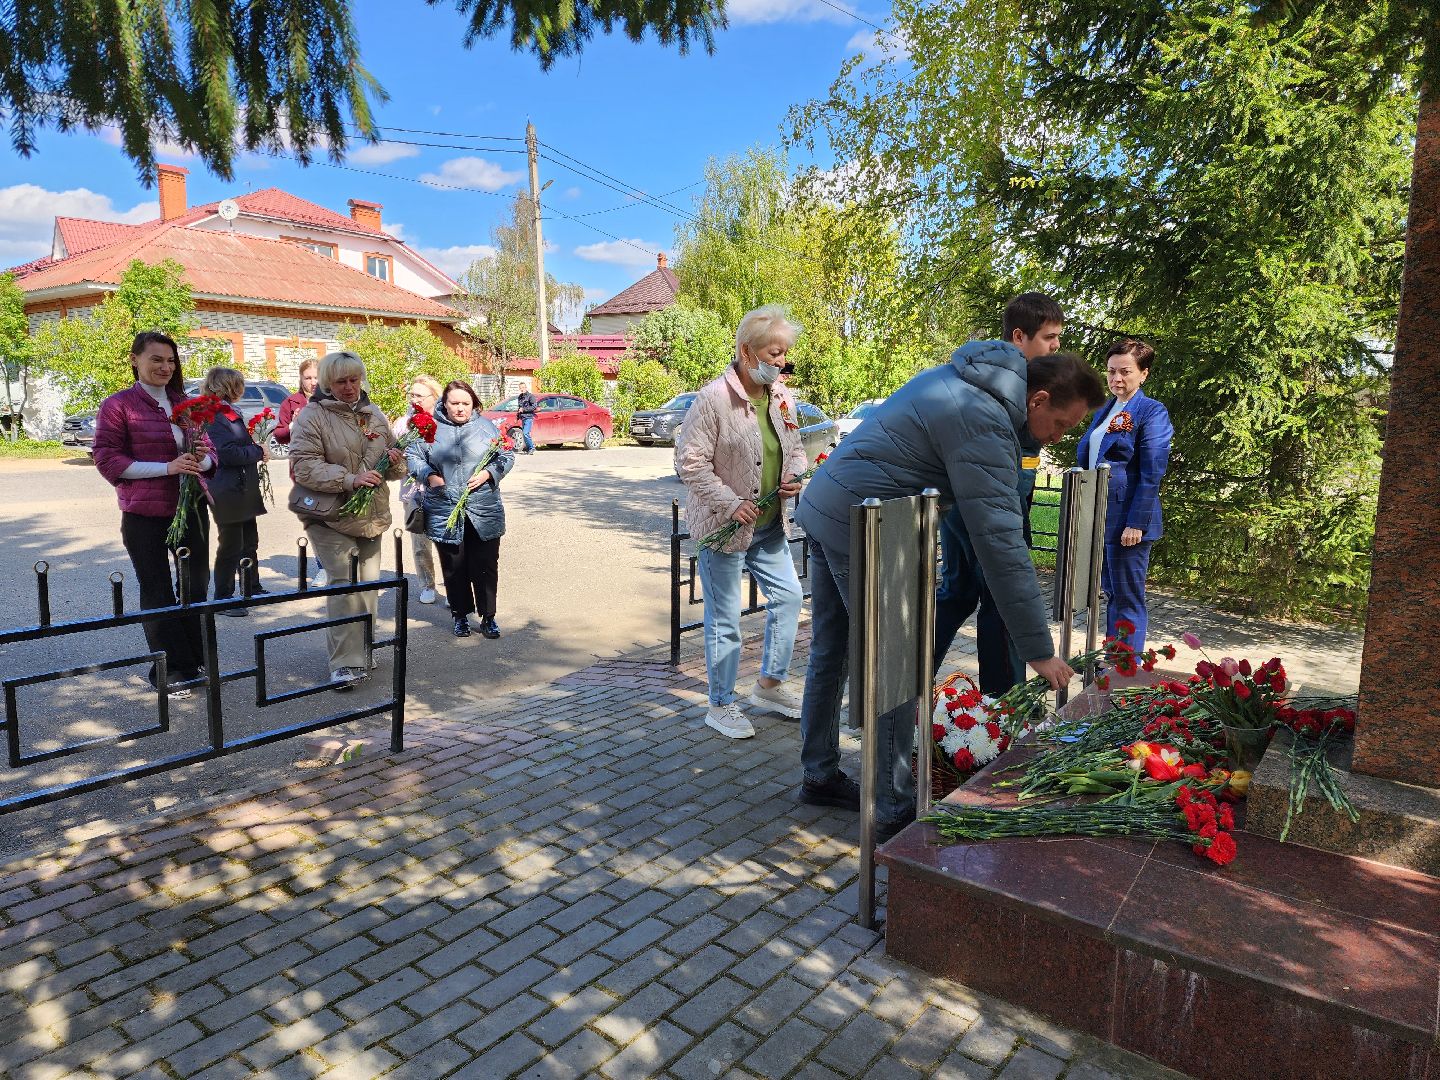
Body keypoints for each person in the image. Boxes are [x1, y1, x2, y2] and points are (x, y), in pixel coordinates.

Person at [796, 347, 1106, 840]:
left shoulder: (967, 383)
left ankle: (818, 773)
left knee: (831, 650)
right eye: (1062, 425)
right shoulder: (982, 419)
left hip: (829, 506)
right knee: (895, 669)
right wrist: (1040, 651)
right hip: (866, 529)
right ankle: (894, 810)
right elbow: (1002, 543)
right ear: (1038, 399)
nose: (1057, 438)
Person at [677, 305, 807, 740]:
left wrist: (794, 476)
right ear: (746, 352)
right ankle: (720, 703)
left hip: (768, 525)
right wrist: (731, 503)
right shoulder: (714, 399)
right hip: (724, 528)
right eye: (774, 352)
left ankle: (768, 685)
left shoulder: (782, 396)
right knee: (725, 618)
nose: (781, 361)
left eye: (784, 353)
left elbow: (796, 448)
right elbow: (690, 464)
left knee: (789, 599)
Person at [934, 293, 1062, 695]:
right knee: (1000, 598)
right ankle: (1006, 706)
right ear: (1019, 336)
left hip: (975, 502)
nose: (1056, 346)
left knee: (958, 592)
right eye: (1049, 337)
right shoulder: (1008, 385)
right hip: (988, 505)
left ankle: (906, 686)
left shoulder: (1006, 377)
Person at [92, 330, 213, 694]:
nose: (165, 366)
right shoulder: (119, 405)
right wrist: (167, 468)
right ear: (135, 360)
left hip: (189, 508)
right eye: (156, 359)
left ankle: (196, 658)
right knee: (157, 589)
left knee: (195, 585)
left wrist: (204, 460)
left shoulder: (186, 404)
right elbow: (108, 459)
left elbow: (210, 454)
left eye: (170, 360)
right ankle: (173, 669)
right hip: (144, 512)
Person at [288, 351, 405, 687]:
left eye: (355, 379)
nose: (351, 387)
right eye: (341, 381)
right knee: (344, 585)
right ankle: (344, 662)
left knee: (368, 588)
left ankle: (363, 649)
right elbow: (304, 465)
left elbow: (395, 463)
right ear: (327, 383)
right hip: (329, 516)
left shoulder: (373, 413)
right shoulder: (312, 416)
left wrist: (394, 460)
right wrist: (349, 479)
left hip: (370, 514)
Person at [1076, 339, 1172, 651]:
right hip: (1100, 514)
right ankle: (1115, 658)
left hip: (1127, 521)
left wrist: (1137, 523)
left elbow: (1152, 470)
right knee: (1111, 591)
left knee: (1128, 595)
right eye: (1111, 371)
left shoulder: (1151, 411)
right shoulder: (1106, 409)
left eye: (1125, 372)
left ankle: (1125, 672)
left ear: (1143, 374)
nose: (1117, 378)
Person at [408, 381, 514, 639]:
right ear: (444, 403)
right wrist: (429, 475)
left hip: (483, 507)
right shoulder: (431, 428)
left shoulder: (486, 426)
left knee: (485, 565)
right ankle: (460, 615)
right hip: (444, 506)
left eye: (465, 403)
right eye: (454, 403)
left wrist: (490, 473)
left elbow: (506, 456)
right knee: (454, 566)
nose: (460, 408)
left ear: (473, 404)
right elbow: (413, 456)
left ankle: (488, 617)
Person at [203, 367, 268, 616]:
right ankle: (223, 597)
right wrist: (258, 452)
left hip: (241, 486)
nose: (243, 389)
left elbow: (239, 445)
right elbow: (226, 453)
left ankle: (251, 586)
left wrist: (255, 449)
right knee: (231, 543)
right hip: (226, 487)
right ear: (229, 386)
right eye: (239, 384)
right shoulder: (214, 414)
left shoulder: (228, 411)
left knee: (249, 541)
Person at [274, 357, 328, 587]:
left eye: (317, 377)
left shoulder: (332, 400)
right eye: (308, 378)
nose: (313, 382)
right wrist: (294, 425)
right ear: (301, 378)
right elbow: (279, 434)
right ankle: (323, 568)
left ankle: (341, 566)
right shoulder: (291, 403)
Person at [394, 375, 443, 605]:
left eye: (419, 396)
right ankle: (427, 584)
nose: (414, 399)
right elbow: (391, 456)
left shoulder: (445, 422)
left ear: (434, 398)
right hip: (414, 492)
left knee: (447, 541)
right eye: (411, 395)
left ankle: (452, 587)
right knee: (420, 543)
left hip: (442, 490)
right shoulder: (403, 424)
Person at [516, 386, 538, 455]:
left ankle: (532, 447)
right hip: (523, 417)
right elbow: (519, 407)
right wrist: (518, 415)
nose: (522, 389)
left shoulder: (531, 396)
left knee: (526, 433)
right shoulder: (520, 397)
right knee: (524, 433)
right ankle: (528, 448)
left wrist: (524, 410)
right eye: (520, 388)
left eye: (523, 387)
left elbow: (534, 407)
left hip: (529, 417)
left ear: (526, 387)